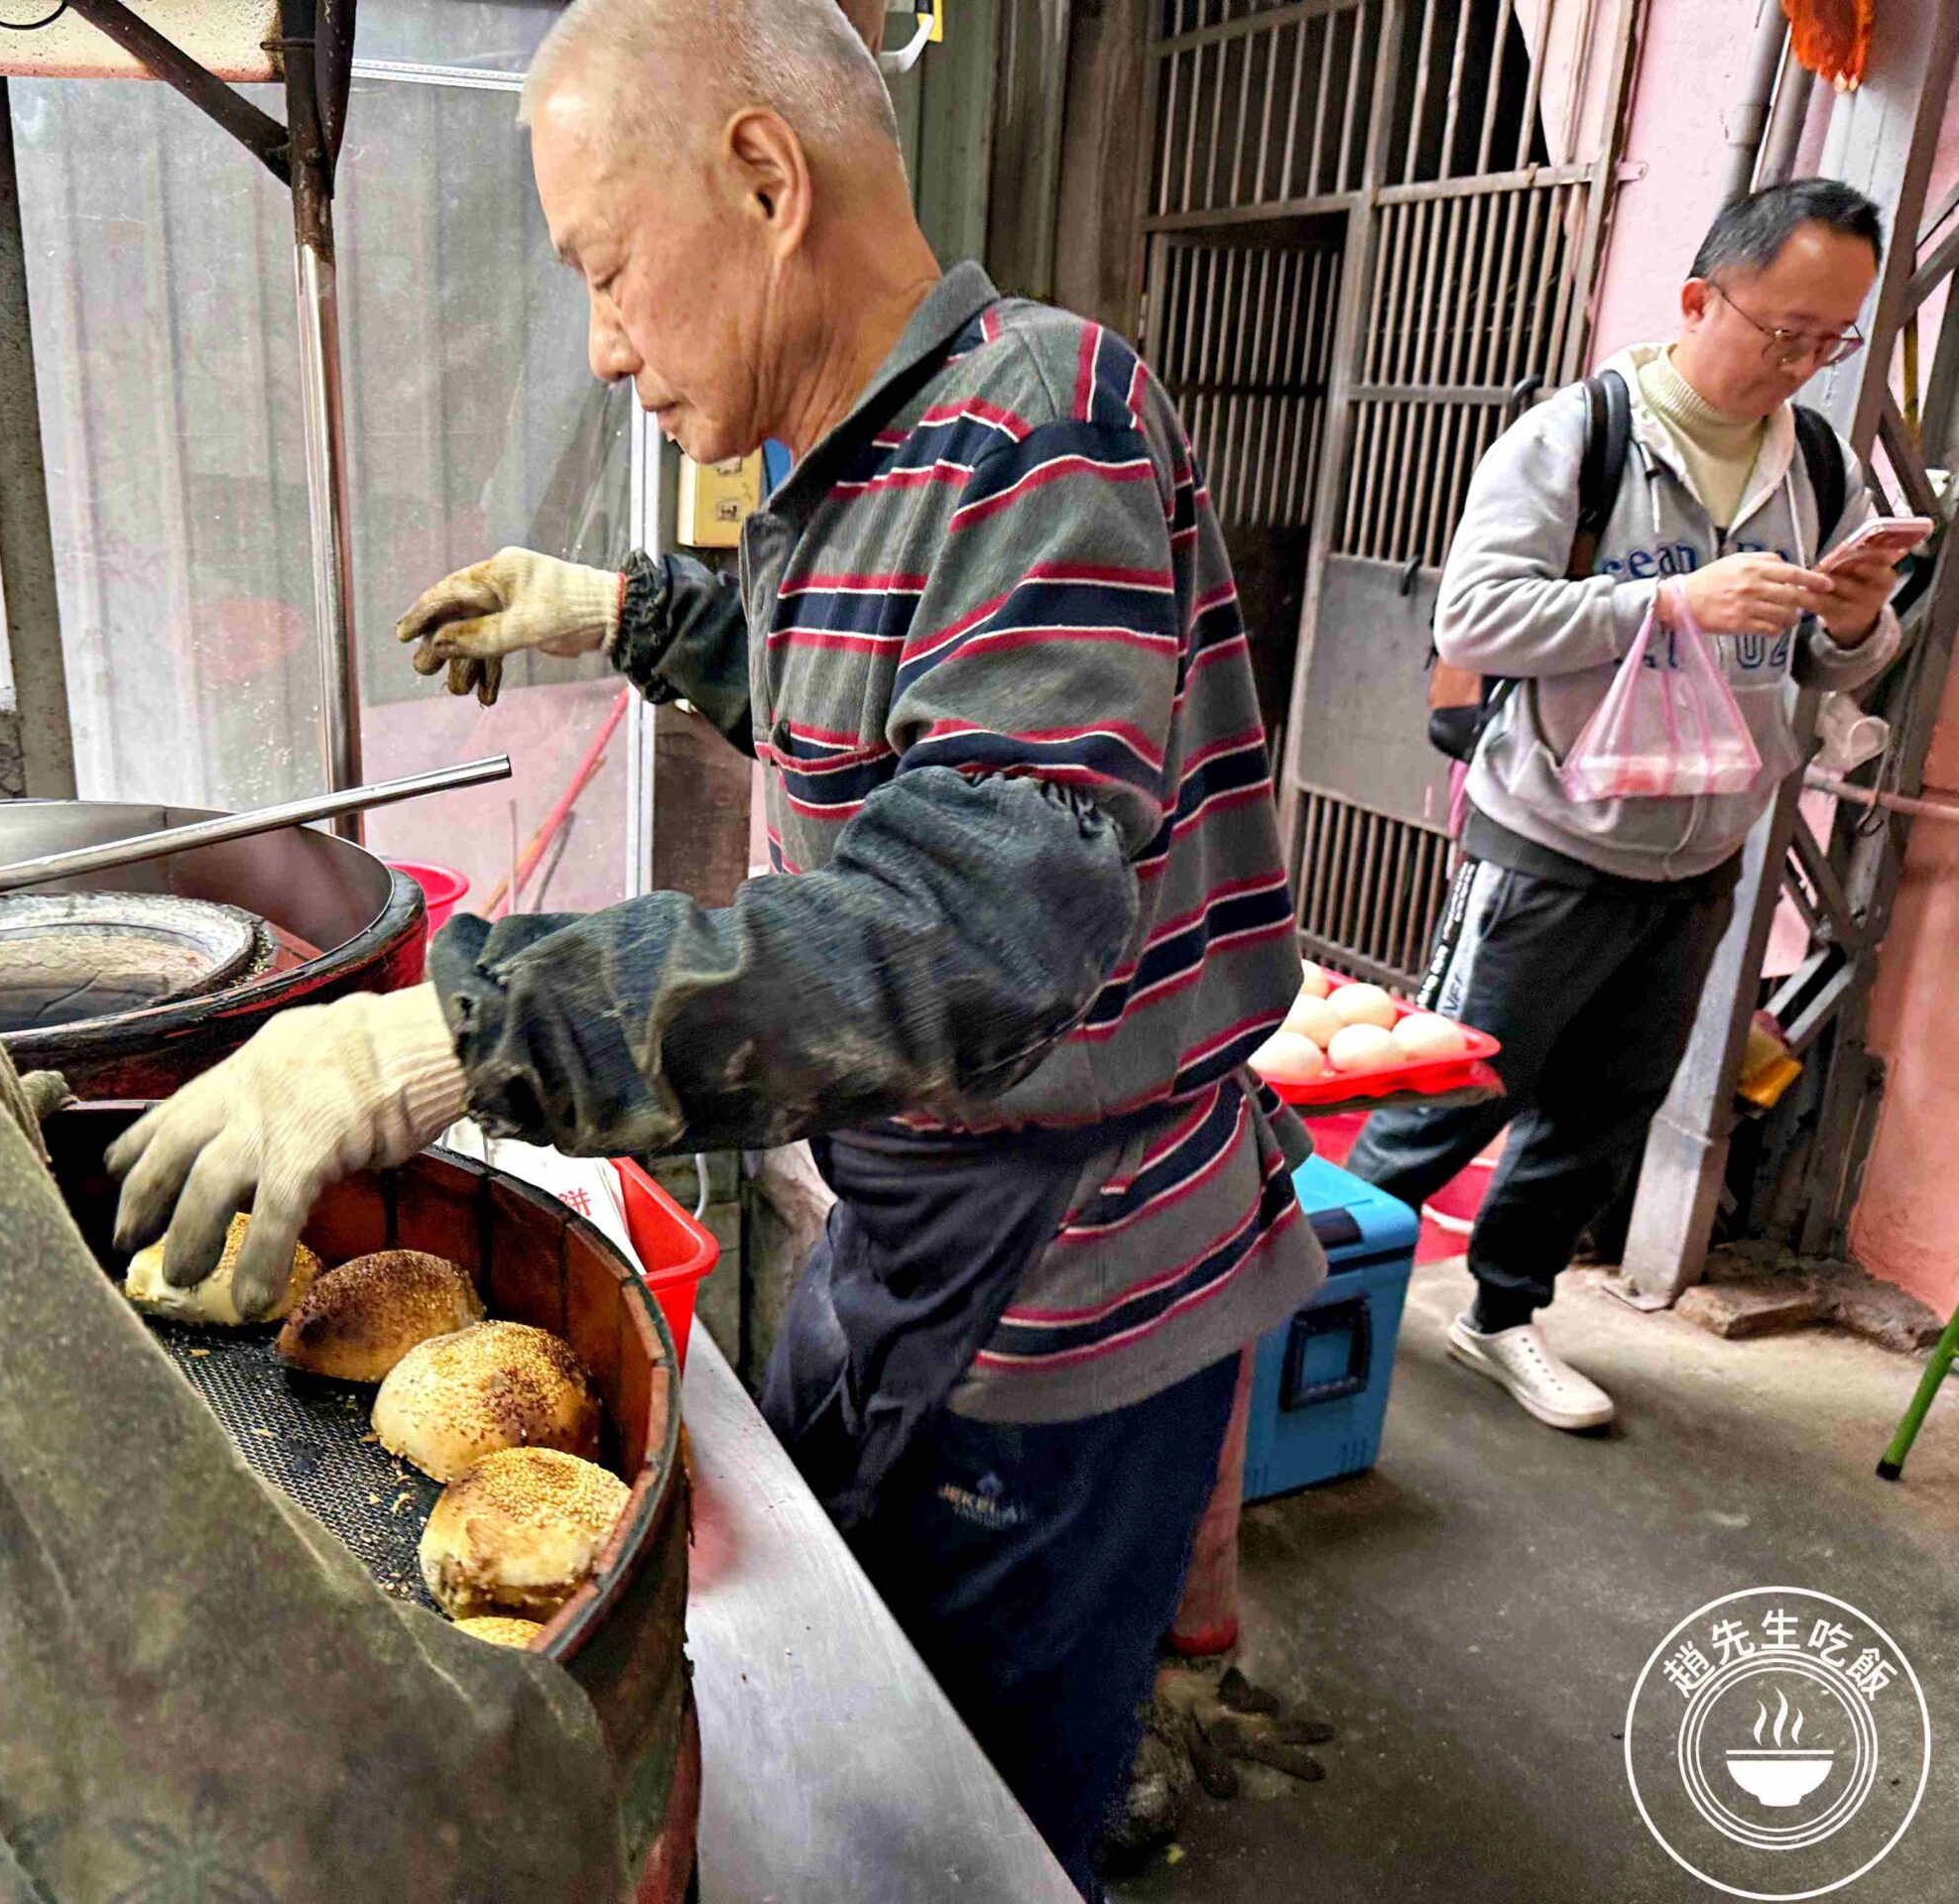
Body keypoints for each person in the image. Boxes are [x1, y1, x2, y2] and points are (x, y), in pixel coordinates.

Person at [107, 0, 1324, 1888]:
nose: (603, 345)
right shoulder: (872, 460)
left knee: (972, 1807)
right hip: (920, 1212)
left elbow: (974, 918)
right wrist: (626, 610)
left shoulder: (1039, 429)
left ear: (765, 177)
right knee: (883, 1683)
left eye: (606, 272)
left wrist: (446, 1034)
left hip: (1061, 1276)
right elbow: (869, 699)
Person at [1347, 178, 1905, 1432]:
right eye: (1784, 333)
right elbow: (1473, 617)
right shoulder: (1576, 437)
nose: (1805, 364)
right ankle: (1320, 1303)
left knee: (1603, 1113)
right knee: (1449, 1091)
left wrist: (1859, 610)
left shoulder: (1812, 459)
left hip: (1703, 850)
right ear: (1701, 297)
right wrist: (1666, 603)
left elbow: (1832, 662)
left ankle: (1499, 1316)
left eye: (1833, 341)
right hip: (1546, 838)